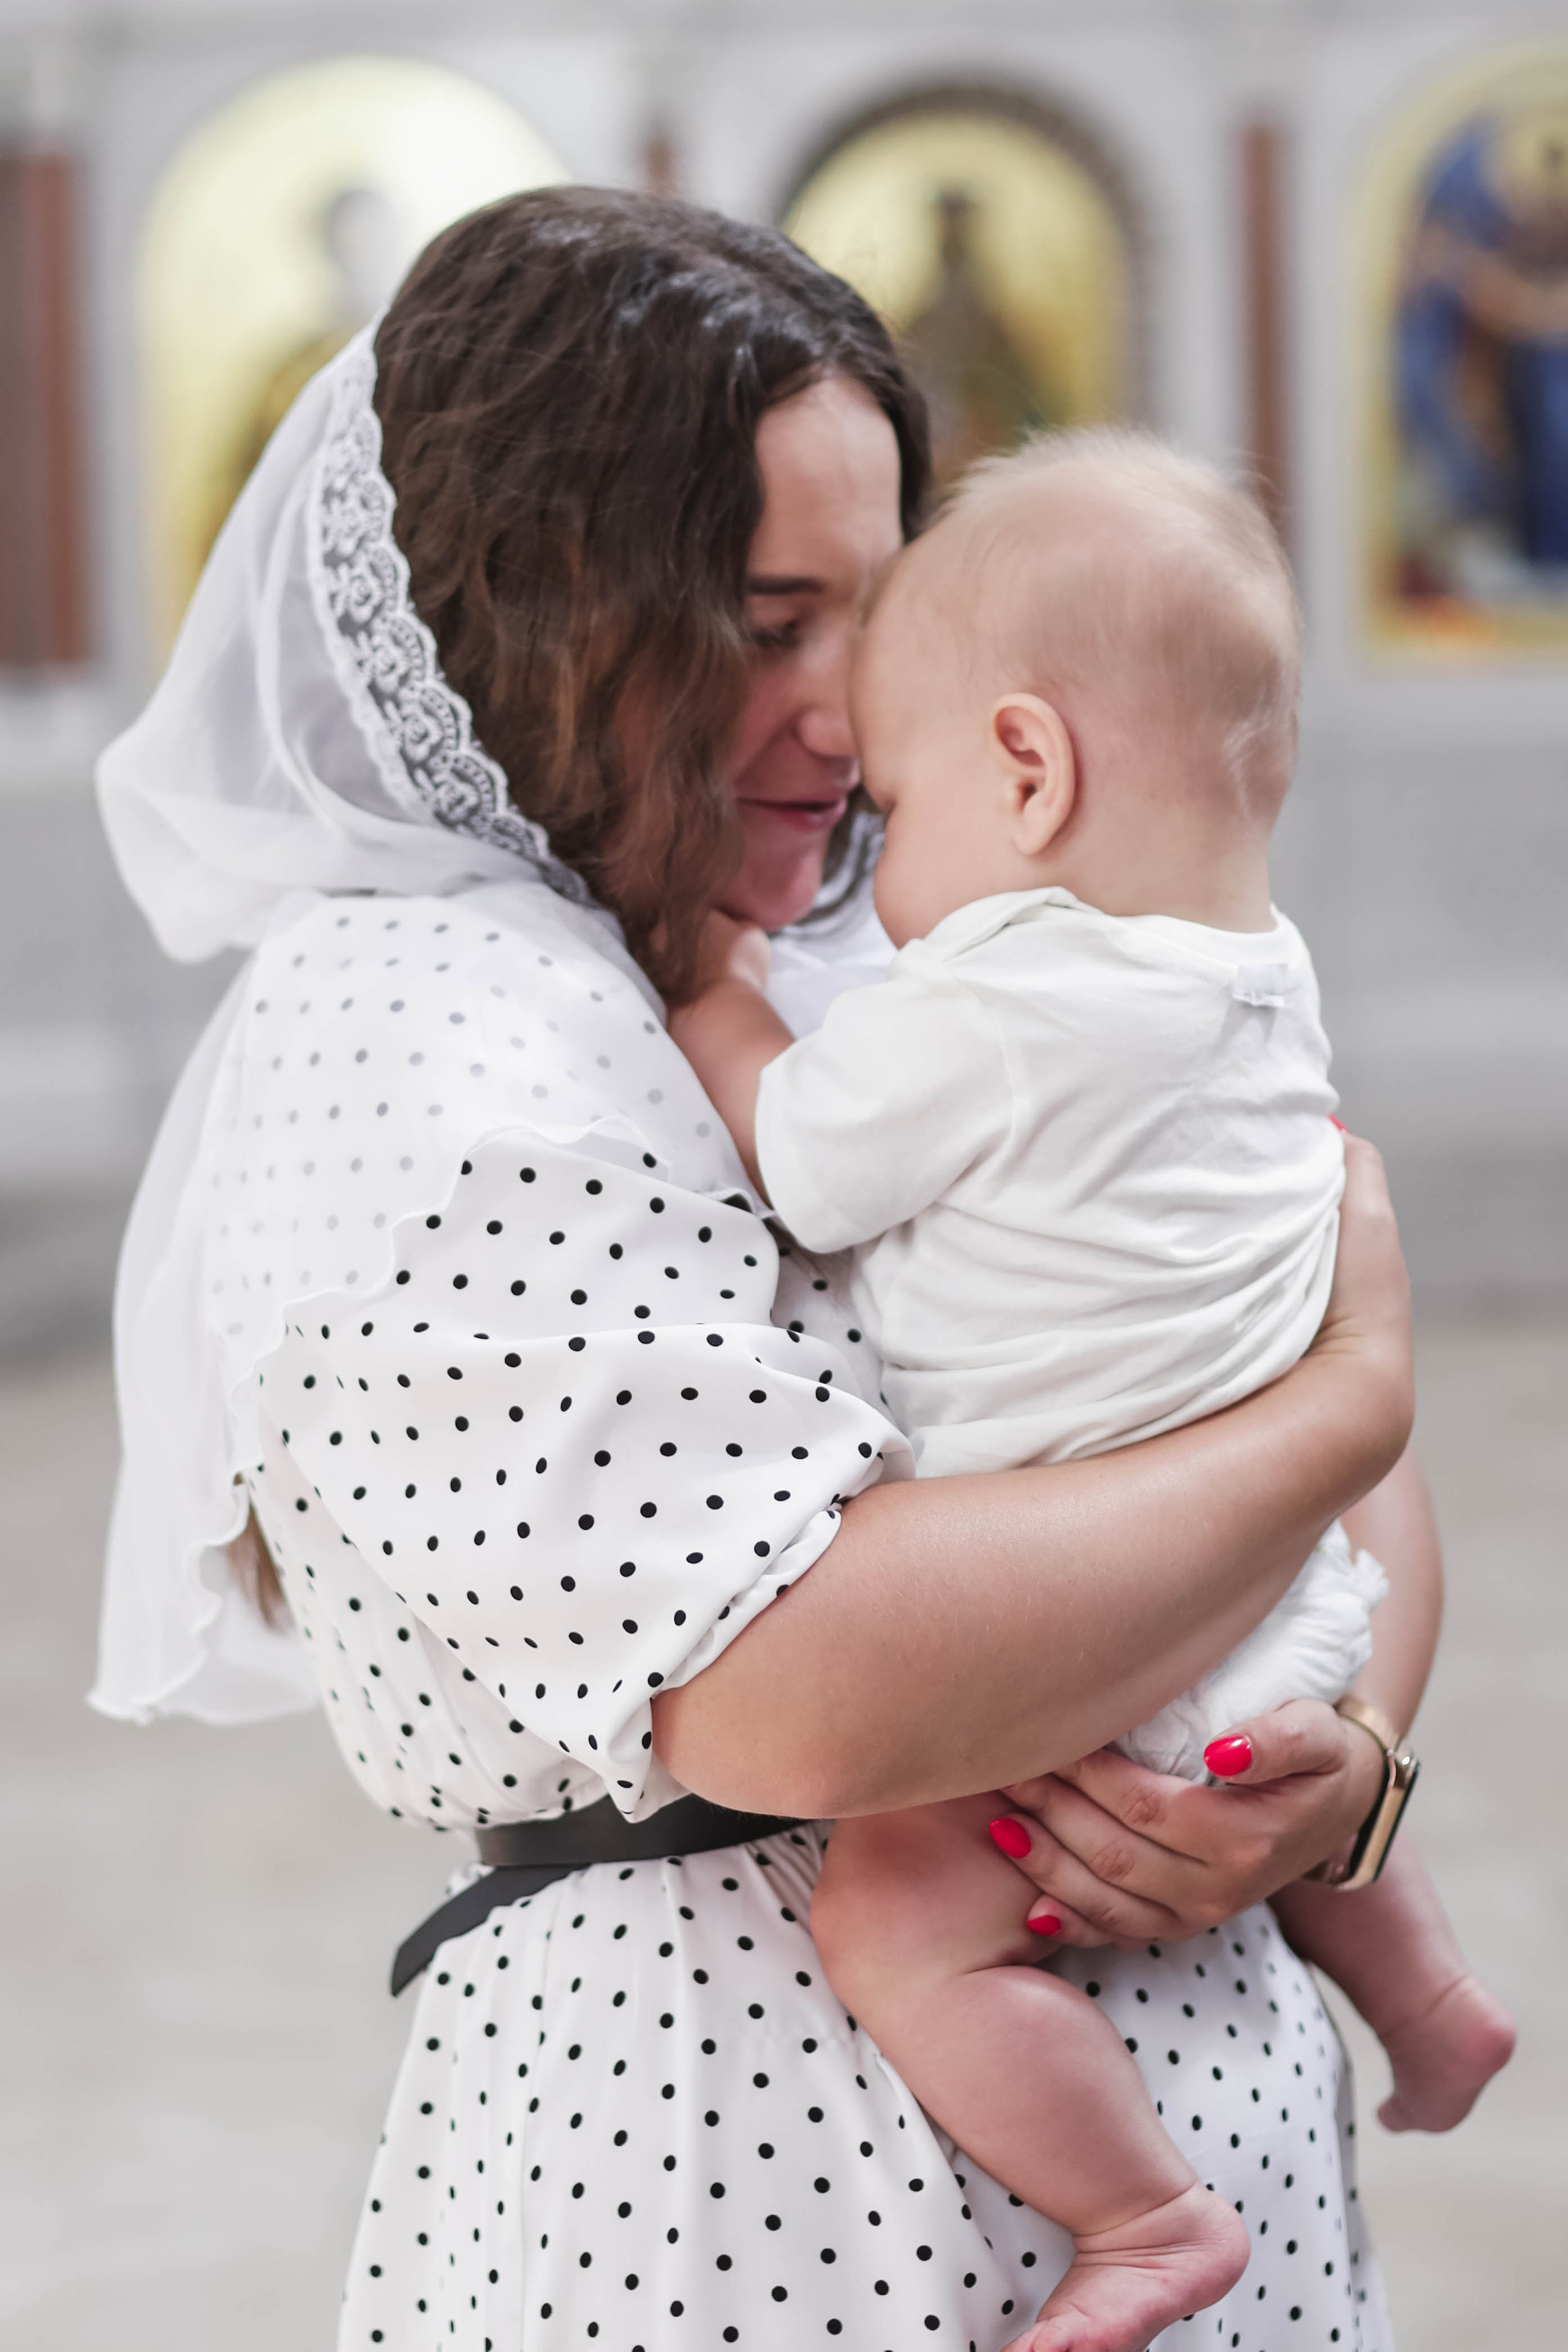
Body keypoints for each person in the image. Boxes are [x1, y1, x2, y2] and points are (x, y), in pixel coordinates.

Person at [93, 189, 1420, 2350]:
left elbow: (1323, 1503)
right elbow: (799, 1686)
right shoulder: (416, 1026)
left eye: (877, 620)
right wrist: (1356, 1393)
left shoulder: (936, 927)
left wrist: (1341, 1769)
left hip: (1212, 2140)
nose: (848, 709)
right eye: (763, 617)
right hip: (735, 2202)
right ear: (542, 607)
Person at [671, 429, 1515, 2352]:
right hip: (1289, 1609)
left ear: (1026, 771)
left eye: (897, 805)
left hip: (1078, 1638)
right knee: (1284, 1764)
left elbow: (800, 1162)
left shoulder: (993, 1006)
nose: (881, 879)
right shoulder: (1261, 984)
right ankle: (1433, 1998)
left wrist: (718, 994)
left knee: (891, 1927)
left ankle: (1140, 2220)